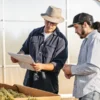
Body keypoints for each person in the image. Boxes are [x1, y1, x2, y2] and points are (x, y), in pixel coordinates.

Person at [11, 6, 68, 94]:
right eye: (47, 21)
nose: (49, 25)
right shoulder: (34, 33)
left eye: (53, 23)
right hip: (29, 82)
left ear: (57, 23)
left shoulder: (61, 40)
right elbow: (24, 49)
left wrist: (42, 66)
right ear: (44, 19)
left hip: (48, 85)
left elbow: (58, 63)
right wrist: (17, 56)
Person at [63, 12, 100, 100]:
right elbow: (88, 65)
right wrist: (72, 71)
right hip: (86, 92)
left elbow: (93, 67)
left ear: (85, 24)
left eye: (76, 27)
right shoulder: (87, 40)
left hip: (91, 91)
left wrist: (72, 69)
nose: (75, 31)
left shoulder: (95, 39)